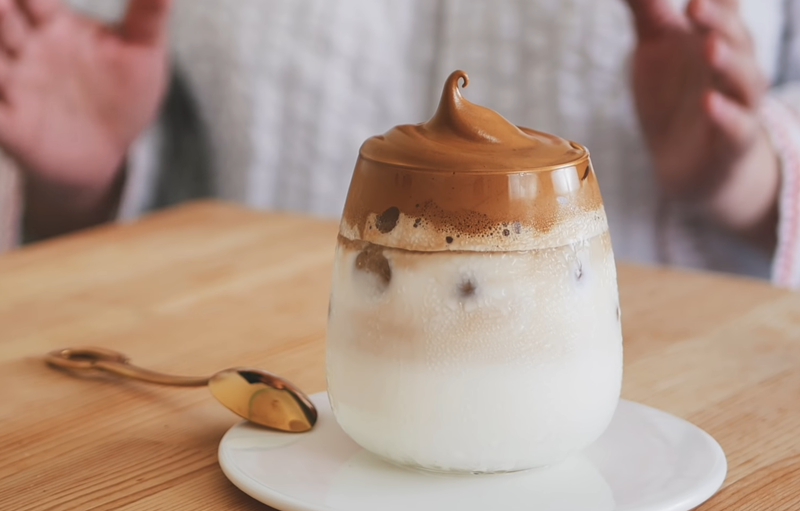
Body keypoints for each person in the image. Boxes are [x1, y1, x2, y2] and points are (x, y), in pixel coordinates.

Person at [1, 0, 799, 287]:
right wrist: (89, 181)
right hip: (264, 411)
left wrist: (747, 172)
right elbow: (164, 156)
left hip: (660, 410)